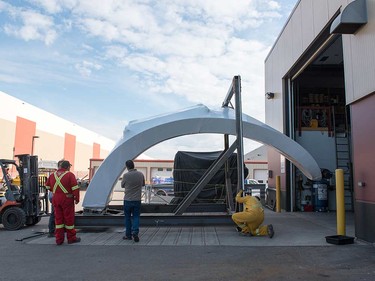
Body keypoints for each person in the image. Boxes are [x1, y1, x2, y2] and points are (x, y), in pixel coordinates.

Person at [46, 160, 81, 245]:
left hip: (56, 199)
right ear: (68, 167)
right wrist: (77, 198)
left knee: (58, 220)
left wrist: (56, 191)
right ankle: (71, 238)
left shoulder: (52, 175)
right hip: (67, 199)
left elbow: (47, 186)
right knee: (69, 219)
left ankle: (59, 239)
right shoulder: (70, 175)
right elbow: (75, 188)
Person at [121, 160, 145, 242]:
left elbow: (122, 185)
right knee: (136, 217)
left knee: (127, 218)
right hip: (137, 200)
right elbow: (143, 184)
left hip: (127, 200)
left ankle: (128, 235)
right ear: (133, 165)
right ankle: (135, 231)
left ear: (127, 167)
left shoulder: (126, 175)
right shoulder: (140, 174)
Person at [47, 159, 64, 238]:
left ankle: (54, 231)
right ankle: (51, 231)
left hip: (55, 197)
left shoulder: (54, 175)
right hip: (56, 198)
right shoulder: (58, 175)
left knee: (56, 214)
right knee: (54, 214)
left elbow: (47, 186)